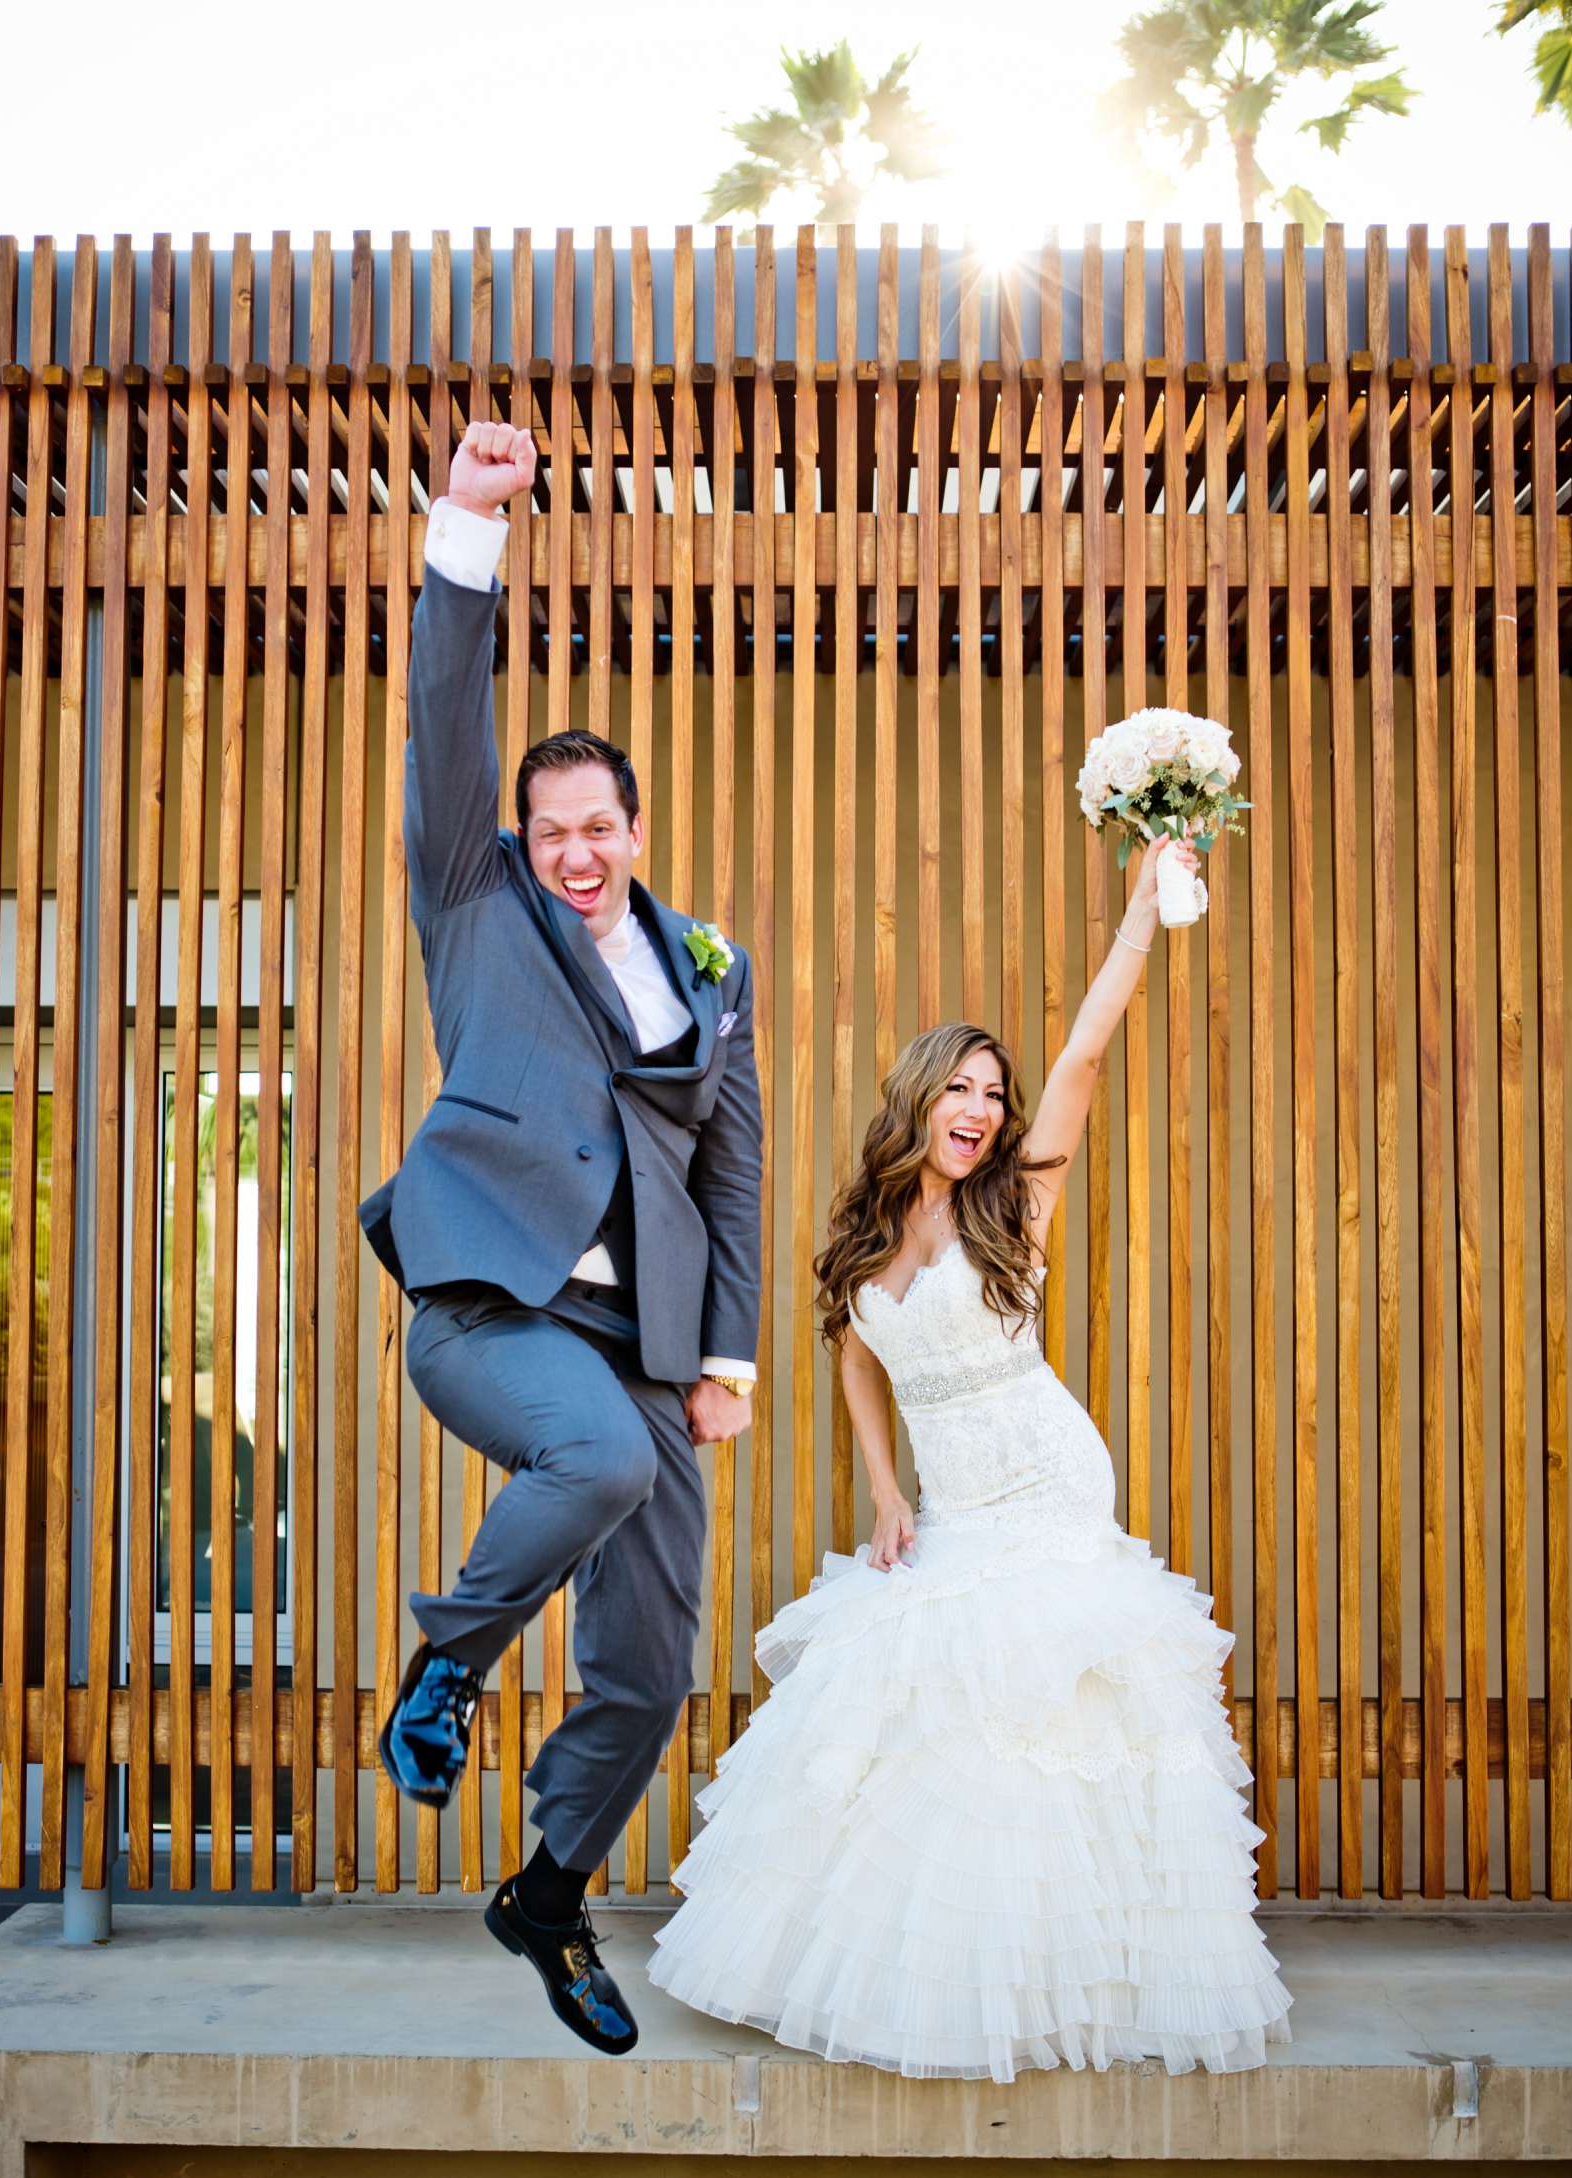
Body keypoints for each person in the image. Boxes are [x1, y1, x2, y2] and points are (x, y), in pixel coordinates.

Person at [650, 836, 1290, 2080]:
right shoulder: (868, 1224)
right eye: (966, 1090)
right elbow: (849, 1347)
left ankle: (1062, 1973)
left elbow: (1085, 1055)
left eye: (996, 1097)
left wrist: (1138, 921)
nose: (984, 1111)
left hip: (1043, 1472)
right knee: (925, 1693)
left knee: (1038, 1700)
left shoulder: (1018, 1201)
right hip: (949, 1493)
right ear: (922, 1095)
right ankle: (927, 1965)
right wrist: (886, 1490)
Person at [362, 420, 762, 2056]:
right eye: (553, 833)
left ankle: (548, 1890)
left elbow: (735, 1169)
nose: (577, 853)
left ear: (636, 831)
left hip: (649, 1349)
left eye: (602, 827)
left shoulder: (713, 971)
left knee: (655, 1665)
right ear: (521, 842)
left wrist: (726, 1353)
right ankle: (446, 1668)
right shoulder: (472, 900)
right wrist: (467, 524)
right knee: (587, 1468)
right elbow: (444, 718)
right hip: (487, 1306)